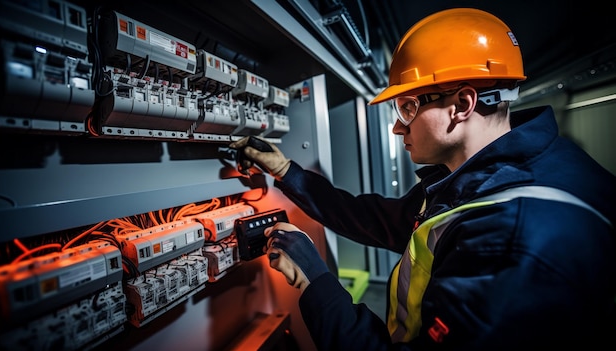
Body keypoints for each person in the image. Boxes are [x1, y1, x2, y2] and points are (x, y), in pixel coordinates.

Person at [230, 8, 616, 351]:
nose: (398, 127)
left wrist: (316, 280)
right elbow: (374, 219)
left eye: (409, 107)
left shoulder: (512, 239)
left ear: (462, 105)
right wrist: (286, 172)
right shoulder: (492, 177)